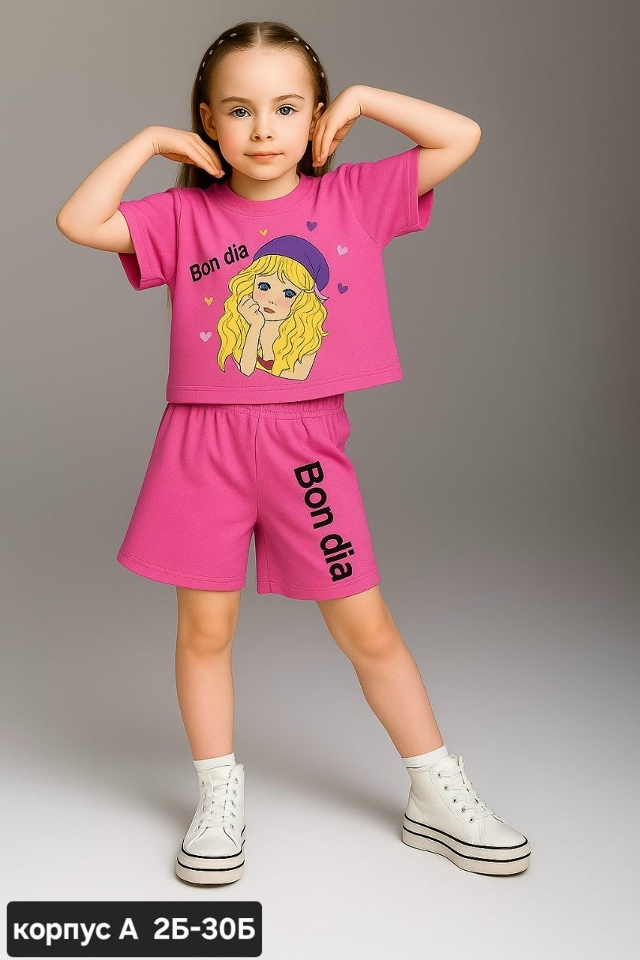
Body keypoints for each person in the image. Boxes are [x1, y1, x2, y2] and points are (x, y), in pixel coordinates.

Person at [56, 19, 531, 885]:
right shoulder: (185, 215)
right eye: (239, 110)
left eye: (286, 107)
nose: (263, 129)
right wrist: (152, 141)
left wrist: (364, 100)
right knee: (205, 629)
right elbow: (78, 220)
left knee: (368, 627)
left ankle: (434, 790)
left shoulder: (353, 197)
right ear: (209, 121)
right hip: (200, 448)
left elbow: (460, 136)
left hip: (306, 450)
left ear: (315, 116)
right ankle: (217, 797)